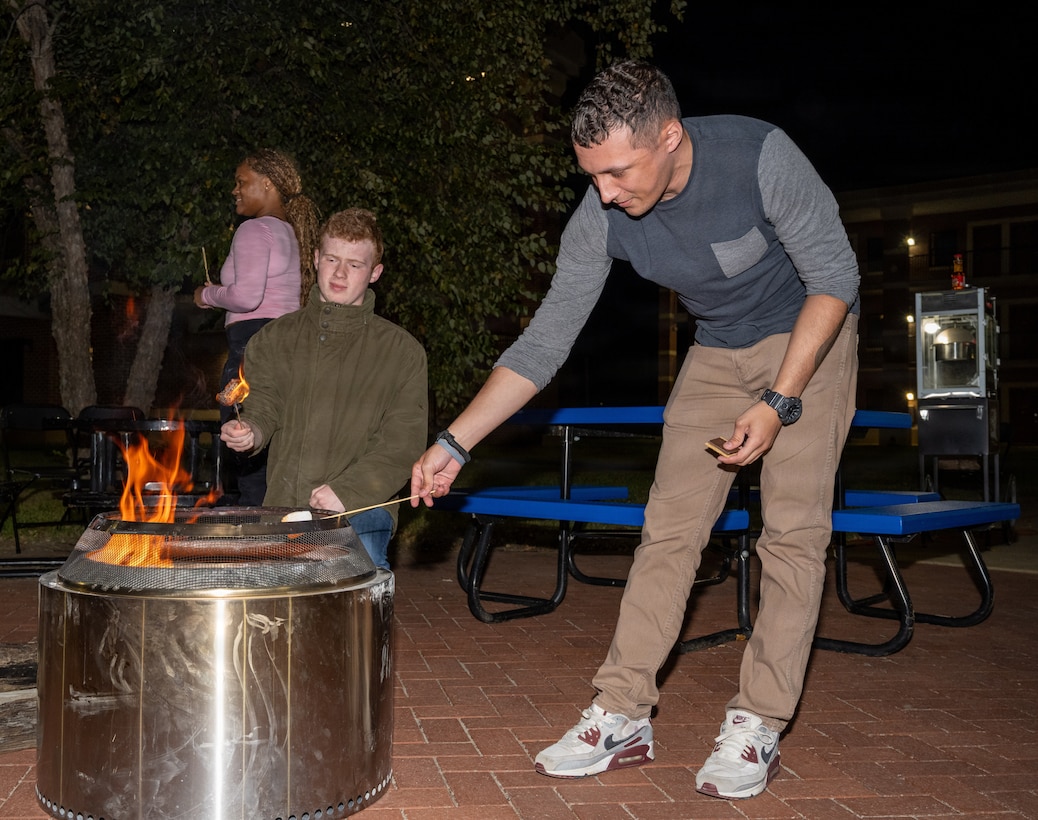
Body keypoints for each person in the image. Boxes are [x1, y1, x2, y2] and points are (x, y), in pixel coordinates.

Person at [410, 60, 859, 800]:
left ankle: (759, 722)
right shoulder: (602, 217)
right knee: (669, 529)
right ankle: (622, 713)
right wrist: (455, 441)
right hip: (717, 350)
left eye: (618, 172)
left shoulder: (759, 157)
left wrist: (780, 401)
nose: (606, 194)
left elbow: (836, 279)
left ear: (671, 138)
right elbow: (545, 342)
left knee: (793, 535)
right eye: (592, 177)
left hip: (812, 337)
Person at [220, 208, 428, 569]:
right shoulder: (274, 337)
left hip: (364, 505)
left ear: (375, 272)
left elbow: (402, 443)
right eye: (332, 259)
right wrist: (250, 430)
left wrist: (346, 493)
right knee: (272, 608)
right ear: (316, 259)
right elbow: (265, 403)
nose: (340, 273)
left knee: (355, 595)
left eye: (355, 264)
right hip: (287, 503)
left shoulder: (402, 352)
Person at [194, 148, 321, 505]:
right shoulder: (294, 234)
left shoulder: (254, 230)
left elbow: (247, 297)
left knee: (244, 451)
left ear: (267, 184)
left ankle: (253, 543)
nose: (235, 190)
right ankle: (283, 541)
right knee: (275, 452)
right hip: (289, 350)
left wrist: (207, 295)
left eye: (241, 182)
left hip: (251, 350)